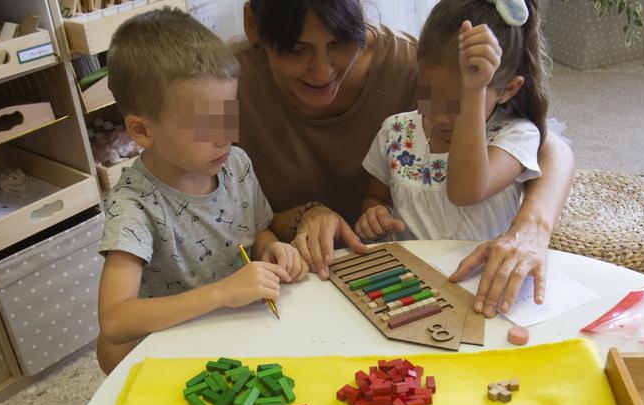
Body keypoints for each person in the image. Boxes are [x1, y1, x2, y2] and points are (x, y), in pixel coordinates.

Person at [235, 0, 575, 317]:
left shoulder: (426, 64)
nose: (322, 73)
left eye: (339, 42)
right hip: (309, 282)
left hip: (445, 282)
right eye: (296, 49)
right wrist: (301, 216)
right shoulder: (218, 89)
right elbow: (204, 211)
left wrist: (532, 228)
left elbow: (547, 145)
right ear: (253, 25)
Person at [95, 9, 307, 374]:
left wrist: (271, 248)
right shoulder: (134, 205)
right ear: (143, 131)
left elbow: (257, 231)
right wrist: (222, 292)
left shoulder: (235, 164)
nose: (224, 135)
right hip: (177, 345)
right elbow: (114, 321)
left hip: (235, 330)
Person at [357, 0, 546, 246]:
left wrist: (473, 90)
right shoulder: (396, 132)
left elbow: (465, 191)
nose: (441, 115)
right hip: (414, 277)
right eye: (431, 94)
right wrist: (375, 214)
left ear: (507, 90)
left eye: (460, 102)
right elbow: (376, 197)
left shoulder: (516, 137)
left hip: (482, 278)